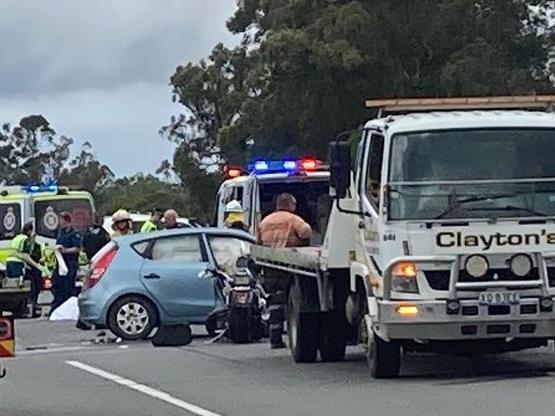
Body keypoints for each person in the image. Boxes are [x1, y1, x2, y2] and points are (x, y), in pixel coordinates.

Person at [257, 193, 312, 348]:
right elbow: (305, 232)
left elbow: (258, 242)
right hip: (287, 265)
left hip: (270, 267)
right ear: (290, 205)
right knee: (286, 299)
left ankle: (275, 337)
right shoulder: (292, 219)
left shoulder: (264, 222)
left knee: (274, 301)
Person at [6, 223, 44, 316]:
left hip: (9, 262)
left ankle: (14, 307)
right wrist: (36, 265)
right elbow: (25, 255)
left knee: (12, 287)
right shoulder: (25, 239)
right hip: (17, 263)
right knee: (20, 288)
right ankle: (20, 309)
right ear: (30, 231)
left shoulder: (17, 237)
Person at [50, 212, 82, 313]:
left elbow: (78, 248)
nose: (60, 222)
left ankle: (69, 308)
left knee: (69, 286)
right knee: (57, 285)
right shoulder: (61, 232)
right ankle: (57, 307)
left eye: (62, 220)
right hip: (60, 263)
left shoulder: (74, 233)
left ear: (67, 221)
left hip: (70, 263)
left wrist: (66, 250)